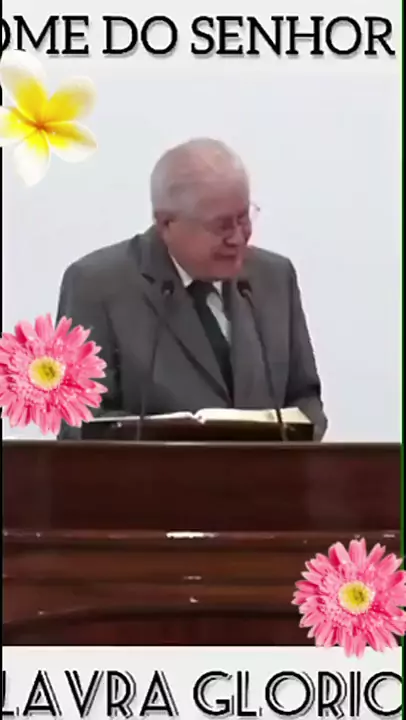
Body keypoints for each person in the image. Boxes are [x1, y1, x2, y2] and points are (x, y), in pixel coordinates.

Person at [56, 138, 327, 439]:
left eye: (243, 218)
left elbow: (305, 398)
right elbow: (78, 423)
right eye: (222, 225)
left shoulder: (274, 277)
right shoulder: (96, 285)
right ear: (166, 224)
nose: (238, 238)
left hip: (265, 470)